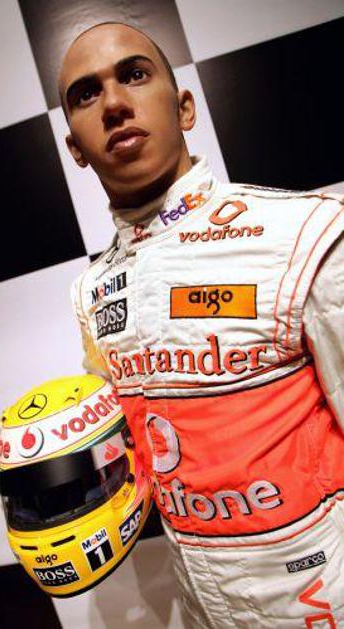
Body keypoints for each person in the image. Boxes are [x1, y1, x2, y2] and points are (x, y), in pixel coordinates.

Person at [58, 21, 344, 627]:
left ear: (184, 107)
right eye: (86, 94)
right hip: (199, 611)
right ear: (76, 148)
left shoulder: (307, 234)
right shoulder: (89, 292)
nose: (113, 103)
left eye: (134, 75)